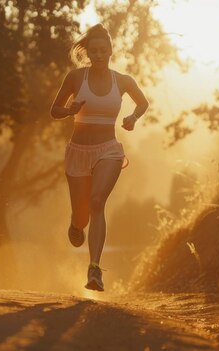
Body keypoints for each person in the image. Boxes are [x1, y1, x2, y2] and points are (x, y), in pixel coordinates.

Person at [50, 23, 149, 291]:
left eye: (103, 50)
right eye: (94, 51)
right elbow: (54, 110)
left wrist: (133, 117)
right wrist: (70, 110)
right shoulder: (75, 78)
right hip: (78, 152)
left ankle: (94, 270)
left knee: (97, 201)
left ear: (111, 50)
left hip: (108, 149)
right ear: (88, 53)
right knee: (82, 216)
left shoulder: (124, 81)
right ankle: (75, 223)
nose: (99, 55)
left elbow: (143, 103)